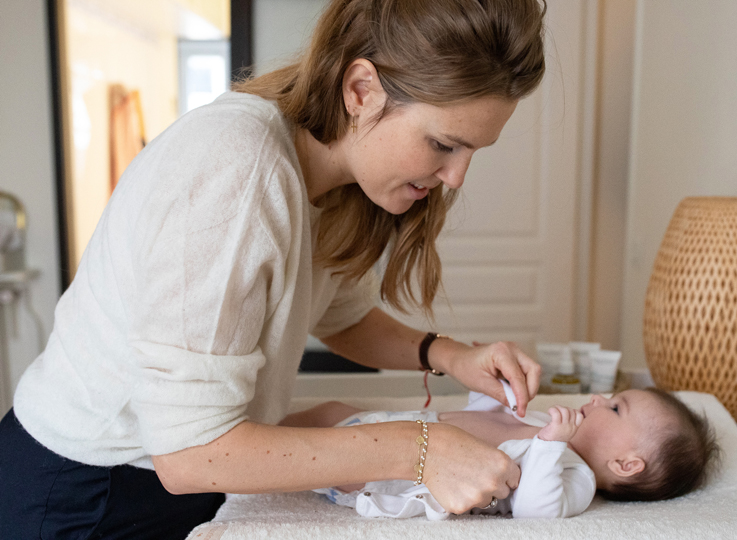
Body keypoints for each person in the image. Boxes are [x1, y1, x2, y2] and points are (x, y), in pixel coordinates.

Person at [0, 1, 549, 538]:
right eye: (443, 144)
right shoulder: (238, 168)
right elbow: (190, 452)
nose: (455, 177)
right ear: (362, 90)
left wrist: (451, 355)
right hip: (84, 494)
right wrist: (420, 448)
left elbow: (340, 315)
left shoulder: (331, 185)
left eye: (472, 152)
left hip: (164, 485)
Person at [281, 384, 719, 519]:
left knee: (315, 454)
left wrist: (551, 446)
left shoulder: (575, 474)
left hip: (391, 470)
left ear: (625, 464)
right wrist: (492, 395)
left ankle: (256, 455)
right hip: (393, 426)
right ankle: (251, 430)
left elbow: (536, 510)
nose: (600, 397)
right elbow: (479, 421)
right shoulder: (546, 425)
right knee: (331, 412)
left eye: (616, 407)